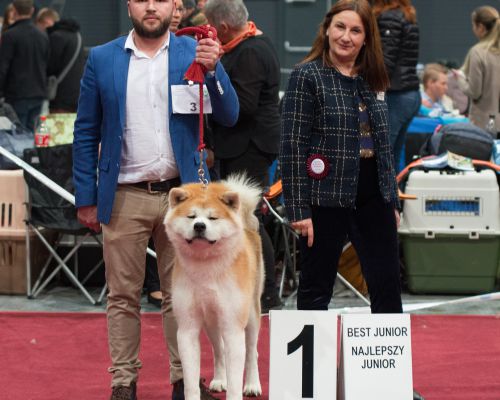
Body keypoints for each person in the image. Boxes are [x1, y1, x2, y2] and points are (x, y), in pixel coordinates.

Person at [72, 0, 238, 399]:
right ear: (129, 5)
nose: (151, 6)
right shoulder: (102, 58)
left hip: (183, 199)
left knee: (182, 296)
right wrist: (86, 197)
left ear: (175, 6)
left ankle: (184, 379)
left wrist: (215, 71)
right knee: (122, 296)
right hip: (124, 195)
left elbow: (230, 115)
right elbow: (85, 132)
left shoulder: (194, 51)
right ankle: (123, 382)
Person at [280, 0, 402, 314]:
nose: (346, 36)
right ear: (327, 29)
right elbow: (292, 146)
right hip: (324, 198)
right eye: (340, 27)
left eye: (356, 30)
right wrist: (297, 208)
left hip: (374, 196)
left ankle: (381, 362)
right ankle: (311, 364)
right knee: (315, 291)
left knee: (387, 288)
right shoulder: (306, 76)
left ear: (366, 38)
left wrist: (392, 201)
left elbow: (383, 144)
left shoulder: (374, 77)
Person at [204, 0, 283, 312]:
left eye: (211, 27)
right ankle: (253, 287)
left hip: (248, 147)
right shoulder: (250, 44)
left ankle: (267, 295)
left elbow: (244, 106)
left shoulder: (250, 51)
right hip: (243, 146)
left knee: (248, 218)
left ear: (222, 27)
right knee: (244, 219)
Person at [372, 0, 420, 171]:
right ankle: (394, 195)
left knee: (382, 154)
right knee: (394, 155)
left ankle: (384, 197)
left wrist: (369, 89)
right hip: (410, 94)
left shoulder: (389, 17)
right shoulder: (407, 15)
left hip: (396, 95)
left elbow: (386, 61)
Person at [0, 0, 49, 132]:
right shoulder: (43, 35)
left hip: (17, 94)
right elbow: (46, 64)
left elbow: (3, 67)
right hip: (38, 92)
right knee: (33, 134)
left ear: (14, 11)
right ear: (32, 11)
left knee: (17, 135)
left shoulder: (10, 35)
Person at [454, 5, 500, 135]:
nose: (473, 29)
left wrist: (460, 79)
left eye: (473, 25)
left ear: (481, 27)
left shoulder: (478, 53)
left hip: (484, 122)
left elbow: (474, 92)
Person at [47, 18, 86, 113]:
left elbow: (51, 65)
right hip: (78, 91)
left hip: (60, 93)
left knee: (59, 124)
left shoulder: (56, 37)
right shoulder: (77, 36)